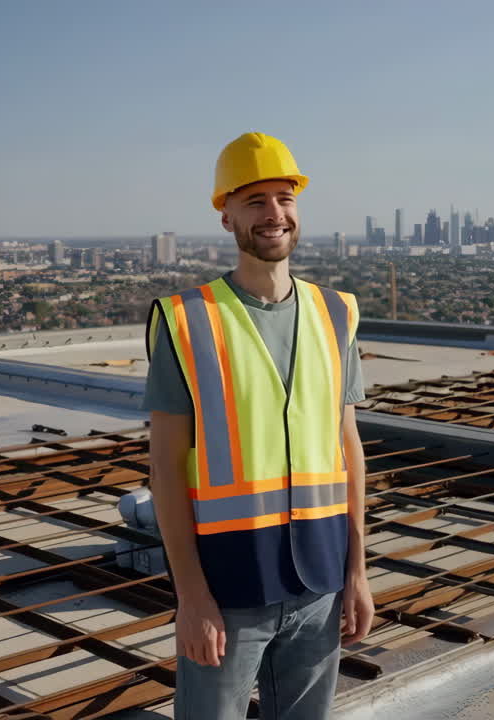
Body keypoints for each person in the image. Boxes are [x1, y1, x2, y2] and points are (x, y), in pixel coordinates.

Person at [144, 132, 374, 720]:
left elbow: (348, 451)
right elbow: (166, 470)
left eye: (284, 198)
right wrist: (191, 596)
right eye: (255, 201)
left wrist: (357, 573)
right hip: (228, 589)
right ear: (226, 216)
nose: (274, 214)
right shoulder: (185, 321)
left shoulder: (336, 313)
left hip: (320, 583)